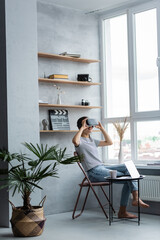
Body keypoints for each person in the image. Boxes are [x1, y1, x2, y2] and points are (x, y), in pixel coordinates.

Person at [72, 116, 149, 219]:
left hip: (102, 168)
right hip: (94, 172)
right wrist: (82, 127)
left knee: (129, 166)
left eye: (90, 124)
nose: (90, 126)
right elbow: (75, 142)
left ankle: (132, 201)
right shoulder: (79, 140)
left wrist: (102, 128)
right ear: (81, 125)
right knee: (128, 178)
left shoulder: (92, 140)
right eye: (86, 124)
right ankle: (125, 209)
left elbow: (109, 142)